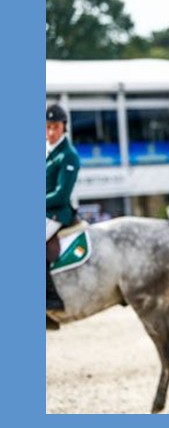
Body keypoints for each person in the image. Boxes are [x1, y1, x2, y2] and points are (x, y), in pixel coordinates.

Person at [46, 103, 81, 310]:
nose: (51, 132)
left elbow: (61, 195)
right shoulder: (46, 151)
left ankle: (50, 298)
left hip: (57, 213)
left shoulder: (68, 155)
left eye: (55, 127)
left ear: (64, 127)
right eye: (47, 127)